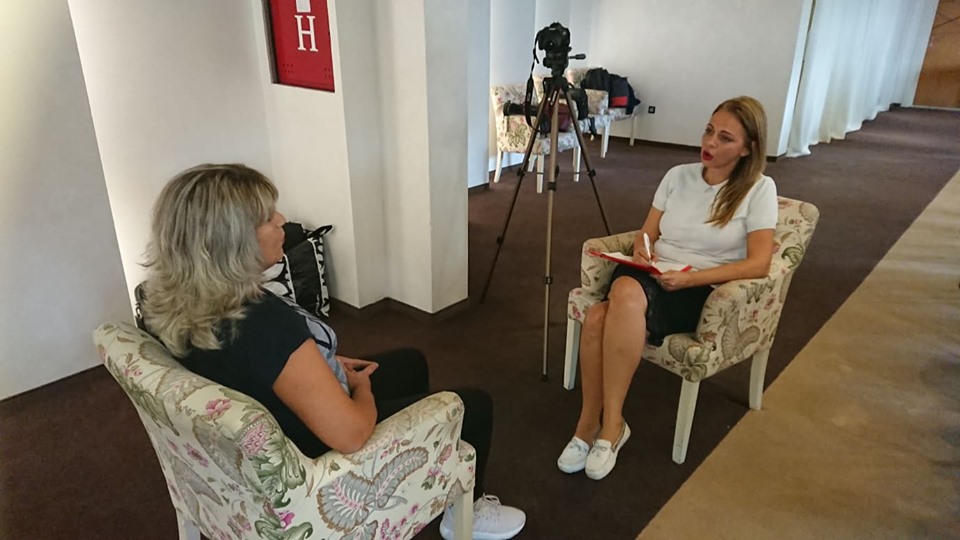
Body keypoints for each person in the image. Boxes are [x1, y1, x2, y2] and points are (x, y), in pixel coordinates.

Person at [140, 163, 525, 540]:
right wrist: (361, 390)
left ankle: (421, 482)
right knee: (471, 406)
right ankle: (462, 515)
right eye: (268, 218)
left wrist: (310, 365)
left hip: (249, 437)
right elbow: (352, 435)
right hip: (311, 460)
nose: (282, 220)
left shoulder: (167, 303)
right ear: (232, 242)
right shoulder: (262, 324)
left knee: (410, 363)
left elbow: (245, 363)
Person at [557, 96, 778, 480]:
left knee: (602, 312)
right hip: (651, 274)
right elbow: (647, 232)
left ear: (748, 148)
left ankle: (608, 425)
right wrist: (642, 251)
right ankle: (592, 424)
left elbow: (759, 263)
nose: (710, 143)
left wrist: (690, 279)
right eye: (709, 131)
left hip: (699, 287)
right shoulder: (678, 176)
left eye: (725, 138)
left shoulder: (759, 189)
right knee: (608, 306)